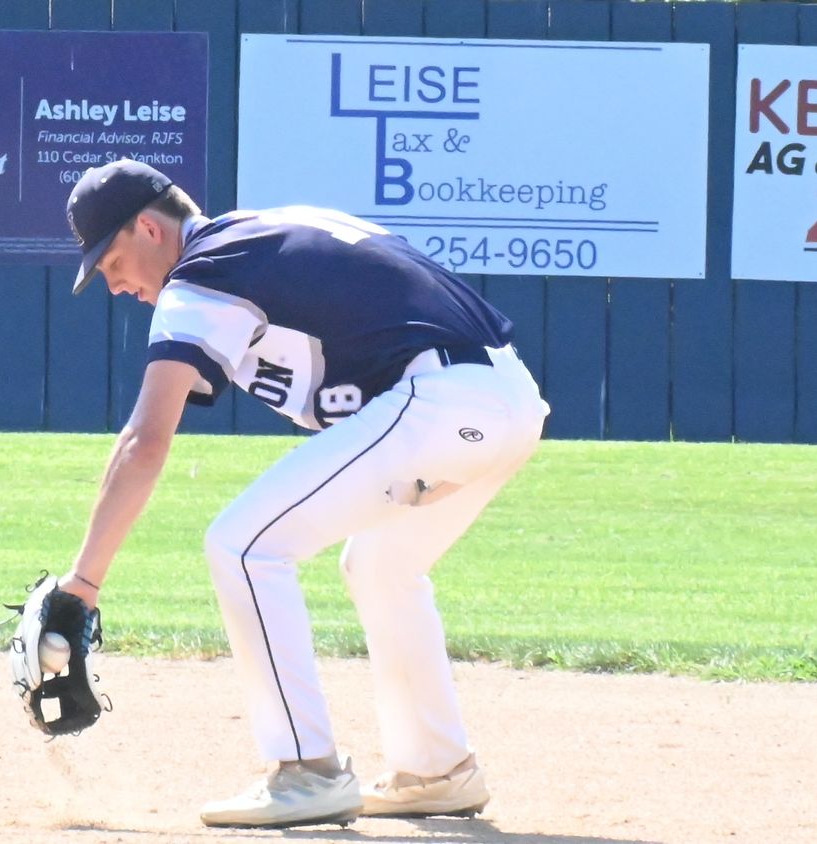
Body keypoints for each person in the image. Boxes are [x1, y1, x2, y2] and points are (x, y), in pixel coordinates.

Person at [56, 158, 550, 829]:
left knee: (242, 546)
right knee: (380, 565)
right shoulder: (259, 233)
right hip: (507, 399)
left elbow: (145, 440)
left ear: (148, 228)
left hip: (441, 401)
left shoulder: (202, 274)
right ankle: (437, 770)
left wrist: (82, 584)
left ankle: (306, 771)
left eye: (112, 264)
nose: (117, 286)